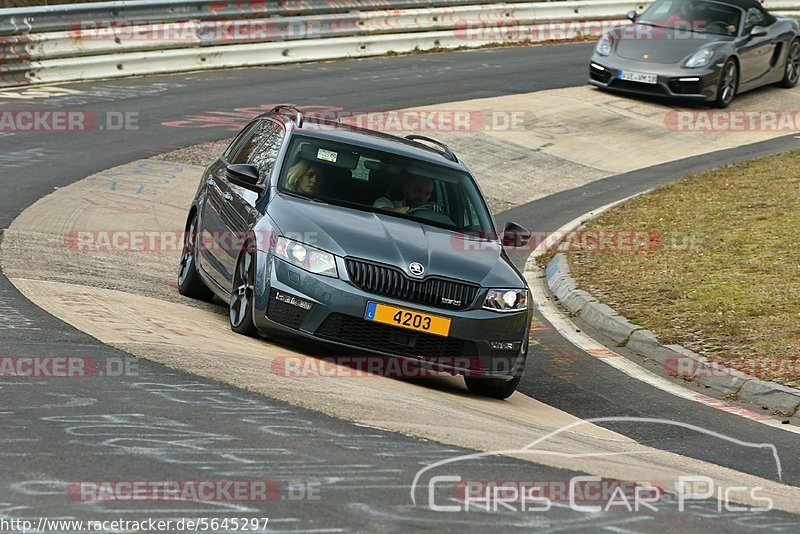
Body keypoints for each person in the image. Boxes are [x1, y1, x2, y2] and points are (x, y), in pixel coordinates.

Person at [373, 174, 440, 213]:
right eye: (417, 190)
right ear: (406, 188)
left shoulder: (433, 213)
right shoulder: (384, 202)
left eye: (427, 194)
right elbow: (383, 213)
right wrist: (415, 210)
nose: (422, 197)